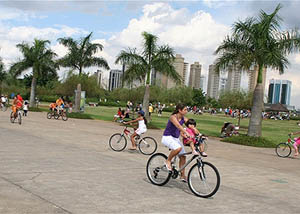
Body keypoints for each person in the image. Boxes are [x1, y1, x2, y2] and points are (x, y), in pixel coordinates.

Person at [162, 103, 191, 182]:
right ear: (179, 110)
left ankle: (182, 175)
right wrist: (186, 132)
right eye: (185, 110)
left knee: (183, 156)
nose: (186, 111)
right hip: (167, 137)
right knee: (178, 148)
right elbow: (178, 126)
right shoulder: (173, 117)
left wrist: (199, 134)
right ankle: (168, 161)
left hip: (175, 139)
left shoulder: (184, 118)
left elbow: (191, 125)